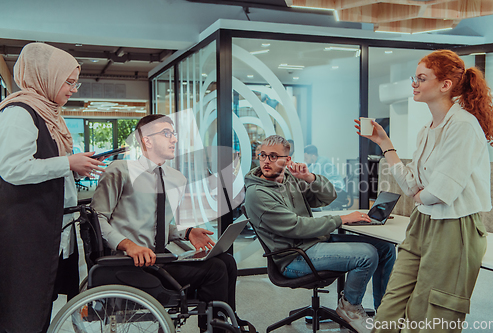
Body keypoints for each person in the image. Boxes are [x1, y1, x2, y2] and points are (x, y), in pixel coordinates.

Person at [357, 49, 493, 333]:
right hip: (423, 222)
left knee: (431, 316)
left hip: (454, 228)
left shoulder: (463, 126)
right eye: (415, 78)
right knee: (390, 307)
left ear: (445, 85)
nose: (414, 84)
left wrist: (422, 195)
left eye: (421, 78)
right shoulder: (427, 129)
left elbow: (441, 192)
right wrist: (385, 144)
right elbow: (412, 185)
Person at [90, 114, 255, 333]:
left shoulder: (176, 178)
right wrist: (128, 245)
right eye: (166, 133)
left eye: (174, 134)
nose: (174, 139)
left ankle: (225, 322)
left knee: (227, 261)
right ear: (146, 140)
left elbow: (157, 226)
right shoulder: (120, 171)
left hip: (159, 259)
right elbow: (96, 219)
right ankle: (219, 329)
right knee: (215, 269)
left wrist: (187, 232)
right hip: (129, 262)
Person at [0, 43, 106, 333]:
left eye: (76, 82)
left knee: (38, 308)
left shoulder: (49, 114)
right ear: (44, 75)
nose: (74, 89)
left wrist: (71, 165)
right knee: (22, 313)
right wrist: (68, 163)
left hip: (47, 229)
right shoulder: (20, 112)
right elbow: (12, 168)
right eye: (68, 81)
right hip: (25, 233)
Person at [244, 135, 396, 333]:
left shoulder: (289, 180)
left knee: (384, 247)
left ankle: (383, 314)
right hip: (294, 257)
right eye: (263, 155)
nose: (266, 161)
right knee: (366, 255)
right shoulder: (257, 193)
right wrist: (341, 219)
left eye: (273, 156)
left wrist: (310, 178)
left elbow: (329, 196)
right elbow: (297, 227)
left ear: (287, 160)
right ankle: (350, 308)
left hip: (313, 243)